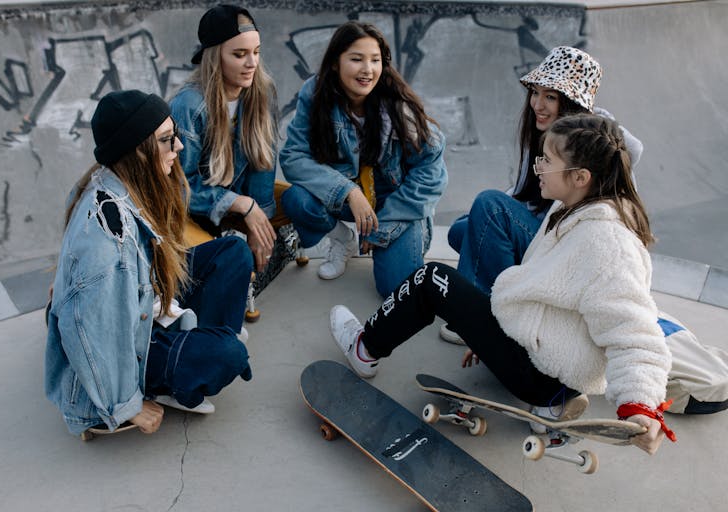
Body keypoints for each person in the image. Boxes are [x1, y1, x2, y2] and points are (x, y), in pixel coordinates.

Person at [329, 114, 675, 455]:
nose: (537, 167)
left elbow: (635, 334)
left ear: (580, 176)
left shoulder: (609, 243)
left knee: (433, 278)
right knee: (466, 279)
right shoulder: (575, 208)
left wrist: (641, 407)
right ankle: (550, 406)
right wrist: (492, 332)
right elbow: (545, 288)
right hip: (547, 365)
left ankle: (365, 349)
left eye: (547, 161)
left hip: (539, 373)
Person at [45, 90, 253, 436]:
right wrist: (127, 405)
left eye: (176, 136)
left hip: (144, 307)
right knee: (228, 354)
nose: (179, 148)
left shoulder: (124, 185)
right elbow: (82, 329)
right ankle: (169, 380)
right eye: (168, 140)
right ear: (138, 152)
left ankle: (195, 345)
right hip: (129, 346)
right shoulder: (107, 243)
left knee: (232, 252)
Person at [441, 46, 643, 344]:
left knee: (488, 207)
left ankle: (482, 315)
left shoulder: (589, 151)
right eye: (535, 93)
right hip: (544, 232)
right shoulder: (543, 135)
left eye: (551, 96)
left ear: (573, 103)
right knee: (463, 228)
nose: (538, 104)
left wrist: (496, 212)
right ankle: (502, 294)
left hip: (564, 249)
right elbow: (523, 192)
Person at [280, 21, 448, 298]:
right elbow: (293, 156)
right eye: (356, 59)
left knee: (396, 290)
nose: (367, 70)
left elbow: (431, 174)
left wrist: (382, 229)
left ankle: (393, 240)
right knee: (296, 200)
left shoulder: (398, 104)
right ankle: (342, 239)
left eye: (375, 60)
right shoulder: (316, 92)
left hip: (394, 201)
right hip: (345, 195)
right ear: (335, 62)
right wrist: (347, 192)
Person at [169, 5, 278, 273]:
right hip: (192, 213)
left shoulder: (258, 91)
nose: (252, 63)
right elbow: (179, 188)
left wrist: (259, 223)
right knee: (221, 265)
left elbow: (263, 163)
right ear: (216, 57)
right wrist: (240, 204)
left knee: (301, 202)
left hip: (238, 204)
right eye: (239, 54)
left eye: (256, 52)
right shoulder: (189, 106)